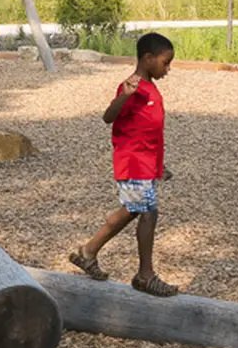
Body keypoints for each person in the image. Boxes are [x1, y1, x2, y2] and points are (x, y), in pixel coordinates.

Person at [69, 32, 178, 295]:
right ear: (148, 58)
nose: (168, 68)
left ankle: (90, 252)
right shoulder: (132, 87)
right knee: (144, 211)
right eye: (165, 62)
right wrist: (124, 96)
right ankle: (143, 274)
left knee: (136, 210)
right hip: (132, 161)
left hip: (144, 163)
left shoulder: (151, 89)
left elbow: (150, 132)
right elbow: (109, 117)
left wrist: (158, 165)